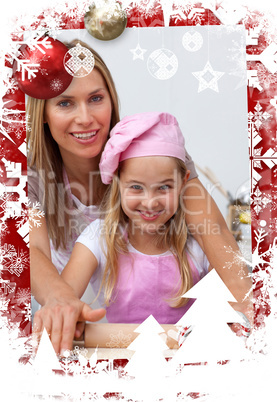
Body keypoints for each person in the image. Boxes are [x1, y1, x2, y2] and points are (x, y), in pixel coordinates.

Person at [27, 39, 252, 354]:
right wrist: (61, 299)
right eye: (65, 103)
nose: (85, 118)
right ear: (45, 113)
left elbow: (212, 233)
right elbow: (32, 251)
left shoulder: (154, 152)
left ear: (112, 100)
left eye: (96, 98)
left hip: (173, 341)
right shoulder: (32, 178)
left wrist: (251, 319)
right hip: (96, 330)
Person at [61, 112, 211, 324]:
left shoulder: (198, 242)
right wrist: (67, 312)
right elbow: (62, 299)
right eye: (136, 187)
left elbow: (231, 303)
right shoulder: (99, 237)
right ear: (117, 182)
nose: (150, 203)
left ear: (184, 182)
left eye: (164, 187)